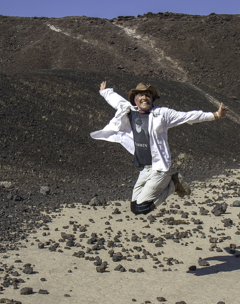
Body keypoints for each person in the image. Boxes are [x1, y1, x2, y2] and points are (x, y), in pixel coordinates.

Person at [91, 81, 228, 215]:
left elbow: (187, 116)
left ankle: (173, 185)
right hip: (145, 168)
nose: (144, 97)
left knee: (142, 208)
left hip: (159, 169)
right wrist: (105, 92)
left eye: (148, 95)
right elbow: (116, 101)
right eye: (141, 95)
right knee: (134, 208)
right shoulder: (129, 111)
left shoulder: (162, 114)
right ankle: (173, 183)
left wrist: (215, 115)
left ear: (152, 99)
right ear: (135, 99)